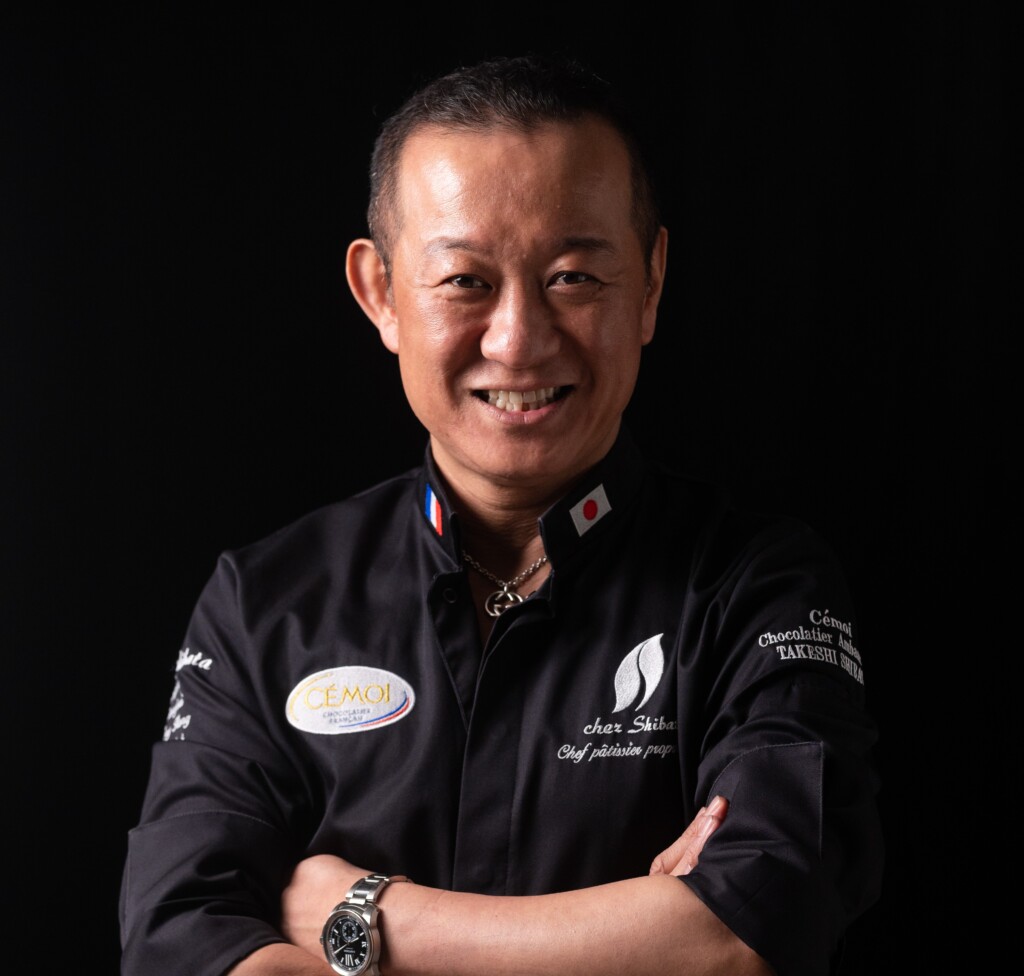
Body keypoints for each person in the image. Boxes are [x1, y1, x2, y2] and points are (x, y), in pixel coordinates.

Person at [119, 54, 883, 976]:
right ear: (379, 293)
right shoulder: (264, 604)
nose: (518, 340)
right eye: (465, 281)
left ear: (649, 282)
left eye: (573, 277)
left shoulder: (759, 589)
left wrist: (367, 916)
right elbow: (177, 939)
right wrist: (641, 935)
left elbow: (750, 931)